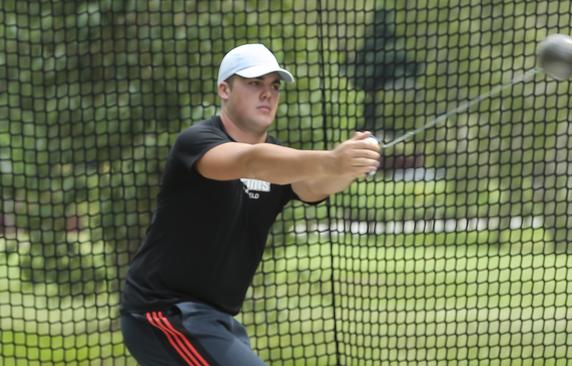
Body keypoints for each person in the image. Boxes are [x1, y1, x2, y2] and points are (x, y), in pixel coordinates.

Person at [120, 43, 381, 365]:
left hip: (213, 319)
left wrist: (347, 168)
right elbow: (252, 162)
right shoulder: (198, 142)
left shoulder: (279, 160)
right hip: (163, 313)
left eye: (274, 85)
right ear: (224, 89)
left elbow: (313, 187)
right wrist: (331, 159)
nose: (267, 93)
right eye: (254, 83)